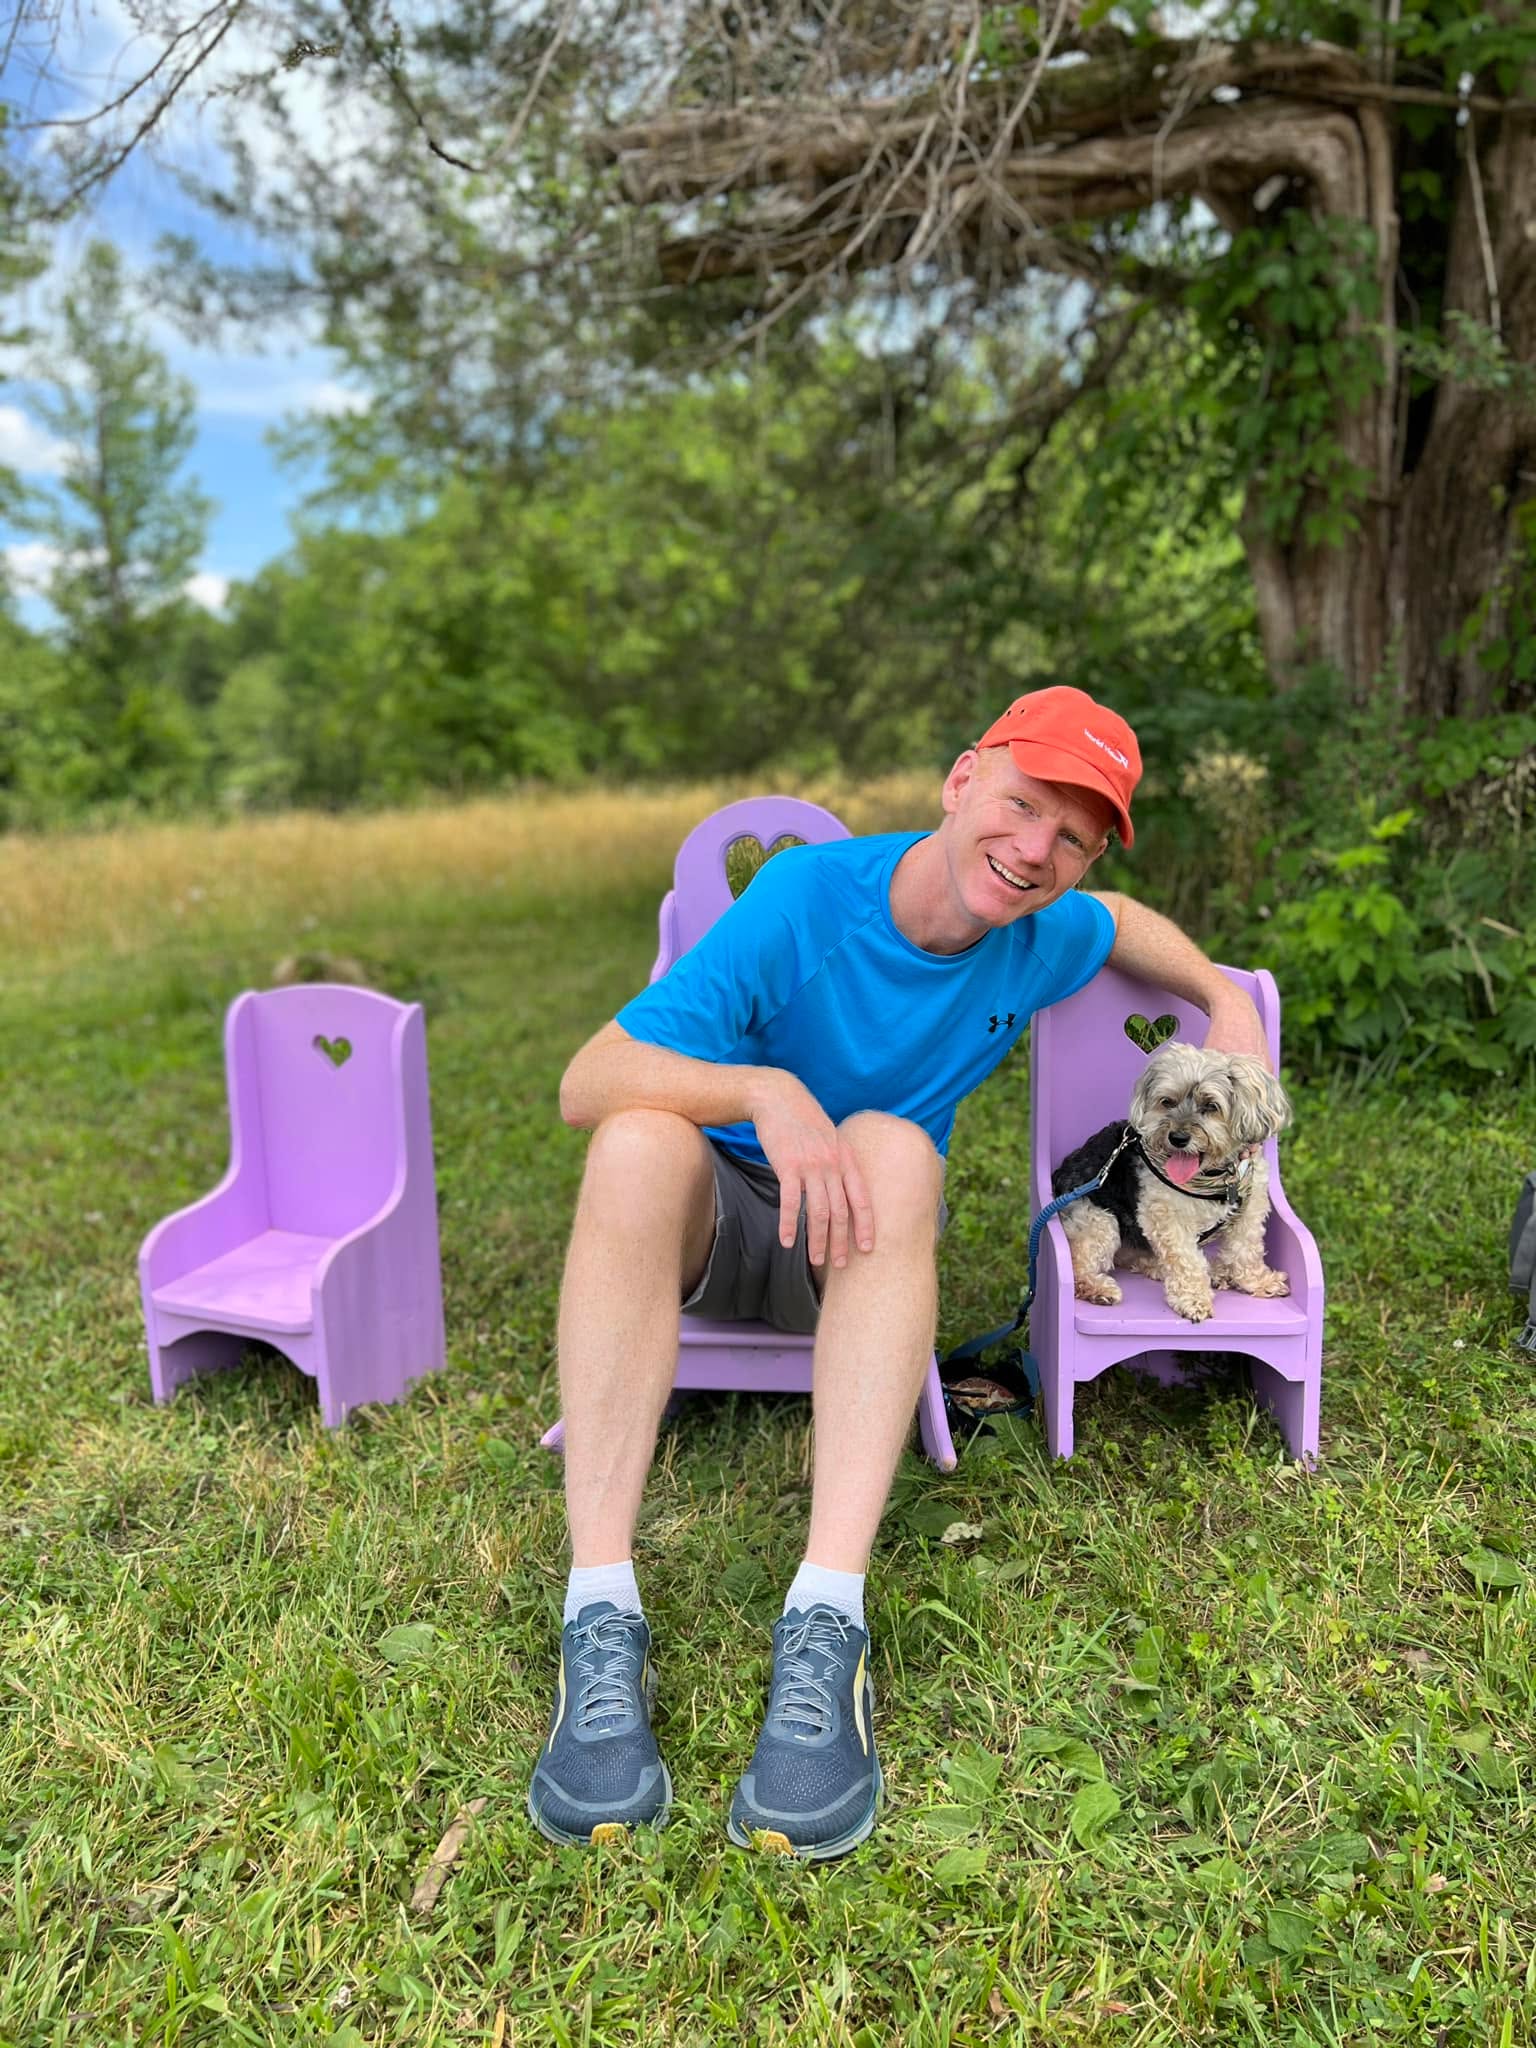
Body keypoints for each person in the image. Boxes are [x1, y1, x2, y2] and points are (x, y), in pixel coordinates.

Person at [527, 685, 1269, 1860]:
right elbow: (588, 1076)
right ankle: (600, 1612)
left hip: (859, 1254)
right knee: (635, 1135)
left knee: (895, 1144)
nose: (1035, 849)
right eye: (1022, 804)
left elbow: (1123, 920)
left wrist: (1223, 994)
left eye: (1070, 835)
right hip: (712, 1234)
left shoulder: (1042, 928)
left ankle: (827, 1619)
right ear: (961, 777)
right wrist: (764, 1092)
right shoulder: (807, 900)